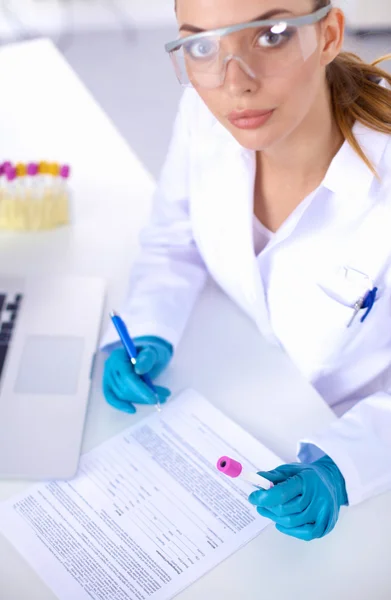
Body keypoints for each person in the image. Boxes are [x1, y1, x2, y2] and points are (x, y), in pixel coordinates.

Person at [101, 0, 391, 541]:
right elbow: (173, 239)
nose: (234, 83)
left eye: (272, 34)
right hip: (237, 392)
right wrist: (148, 327)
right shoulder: (201, 117)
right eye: (202, 46)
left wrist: (345, 468)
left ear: (327, 35)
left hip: (349, 434)